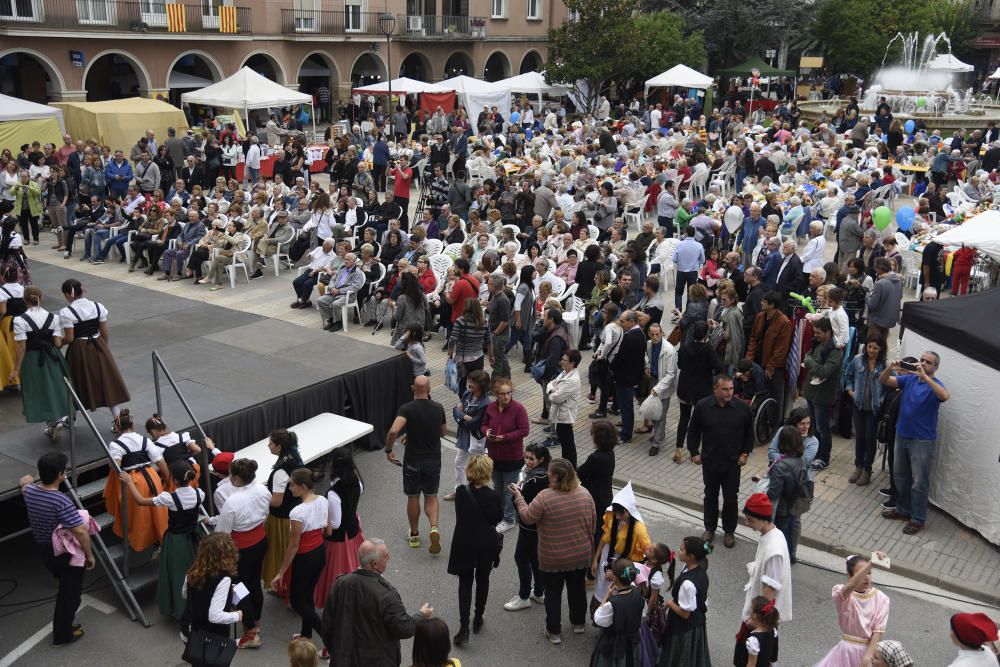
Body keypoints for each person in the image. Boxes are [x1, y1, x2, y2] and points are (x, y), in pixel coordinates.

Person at [510, 458, 596, 645]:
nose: (547, 476)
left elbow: (527, 517)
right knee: (577, 589)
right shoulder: (584, 494)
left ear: (556, 477)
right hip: (581, 554)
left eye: (549, 473)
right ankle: (578, 623)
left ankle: (554, 631)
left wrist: (519, 497)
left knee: (553, 593)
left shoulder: (545, 497)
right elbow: (593, 523)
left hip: (553, 557)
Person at [19, 452, 95, 646]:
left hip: (46, 550)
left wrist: (29, 480)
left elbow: (24, 482)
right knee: (69, 596)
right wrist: (89, 555)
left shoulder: (30, 492)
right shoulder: (61, 501)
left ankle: (65, 626)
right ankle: (62, 635)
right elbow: (80, 531)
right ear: (60, 475)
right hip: (64, 554)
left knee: (65, 587)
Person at [321, 538, 434, 666]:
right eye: (386, 556)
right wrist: (422, 615)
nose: (389, 558)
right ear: (374, 564)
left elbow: (327, 625)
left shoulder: (340, 584)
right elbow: (404, 628)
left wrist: (337, 652)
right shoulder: (386, 595)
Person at [121, 460, 205, 619]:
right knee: (197, 571)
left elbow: (140, 501)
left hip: (177, 541)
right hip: (195, 537)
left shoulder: (169, 498)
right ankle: (200, 605)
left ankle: (181, 609)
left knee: (178, 574)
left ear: (174, 480)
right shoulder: (199, 493)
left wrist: (130, 483)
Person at [879, 351, 949, 535]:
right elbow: (883, 380)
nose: (923, 363)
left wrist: (926, 377)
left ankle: (918, 519)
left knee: (919, 482)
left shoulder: (936, 385)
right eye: (922, 360)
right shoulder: (909, 380)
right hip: (902, 435)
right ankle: (903, 510)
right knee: (901, 476)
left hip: (922, 441)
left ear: (935, 367)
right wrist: (890, 368)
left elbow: (944, 396)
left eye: (929, 362)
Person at [269, 468, 331, 659]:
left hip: (304, 557)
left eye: (292, 485)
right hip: (319, 552)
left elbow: (293, 546)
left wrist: (280, 572)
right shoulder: (323, 500)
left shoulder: (297, 511)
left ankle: (330, 640)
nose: (289, 488)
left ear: (303, 487)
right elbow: (327, 531)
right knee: (307, 596)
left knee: (297, 601)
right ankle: (306, 634)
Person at [687, 373, 753, 548]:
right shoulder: (703, 406)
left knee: (731, 498)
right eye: (725, 389)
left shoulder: (742, 408)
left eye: (731, 388)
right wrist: (694, 452)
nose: (729, 392)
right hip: (710, 462)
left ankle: (729, 531)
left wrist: (745, 454)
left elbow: (749, 434)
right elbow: (693, 431)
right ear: (715, 389)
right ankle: (710, 528)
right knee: (710, 496)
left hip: (732, 463)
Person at [212, 457, 271, 649]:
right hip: (260, 541)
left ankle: (251, 630)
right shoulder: (263, 490)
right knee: (254, 582)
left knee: (237, 587)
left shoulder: (232, 502)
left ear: (236, 478)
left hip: (241, 549)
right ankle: (256, 621)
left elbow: (222, 533)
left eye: (230, 474)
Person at [386, 375, 447, 552]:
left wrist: (389, 450)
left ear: (413, 388)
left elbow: (393, 431)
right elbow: (442, 432)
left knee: (413, 497)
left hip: (413, 461)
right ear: (429, 389)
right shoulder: (438, 408)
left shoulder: (407, 409)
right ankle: (434, 527)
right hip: (433, 460)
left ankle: (414, 535)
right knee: (431, 495)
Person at [447, 454, 503, 646]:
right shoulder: (494, 496)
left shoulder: (462, 492)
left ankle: (463, 627)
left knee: (465, 583)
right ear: (488, 472)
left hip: (464, 542)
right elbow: (497, 519)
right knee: (483, 579)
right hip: (486, 544)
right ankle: (478, 617)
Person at [59, 279, 130, 423]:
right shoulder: (98, 306)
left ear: (68, 295)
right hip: (99, 344)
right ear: (82, 290)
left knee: (76, 382)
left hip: (79, 349)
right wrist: (104, 349)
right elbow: (104, 331)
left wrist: (59, 343)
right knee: (107, 382)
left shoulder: (67, 312)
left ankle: (71, 419)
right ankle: (118, 421)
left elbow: (70, 338)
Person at [8, 285, 72, 439]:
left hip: (32, 359)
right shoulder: (54, 318)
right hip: (52, 356)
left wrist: (16, 369)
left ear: (25, 300)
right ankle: (55, 420)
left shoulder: (19, 320)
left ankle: (53, 422)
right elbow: (57, 343)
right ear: (41, 298)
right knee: (54, 387)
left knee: (38, 390)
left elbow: (21, 347)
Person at [103, 409, 169, 553]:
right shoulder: (145, 440)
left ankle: (141, 541)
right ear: (133, 425)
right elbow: (160, 461)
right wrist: (168, 478)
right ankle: (160, 538)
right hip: (152, 477)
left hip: (132, 482)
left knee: (138, 515)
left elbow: (115, 467)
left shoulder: (116, 445)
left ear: (117, 428)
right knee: (158, 510)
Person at [312, 448, 366, 608]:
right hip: (353, 531)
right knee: (352, 568)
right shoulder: (357, 482)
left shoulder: (333, 493)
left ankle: (337, 603)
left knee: (334, 574)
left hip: (338, 541)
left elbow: (335, 523)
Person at [815, 554, 891, 666]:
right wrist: (871, 564)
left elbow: (878, 631)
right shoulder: (842, 595)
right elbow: (851, 585)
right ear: (850, 576)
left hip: (867, 650)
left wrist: (868, 656)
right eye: (862, 573)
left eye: (869, 572)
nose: (867, 577)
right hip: (846, 651)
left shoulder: (881, 598)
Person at [738, 492, 793, 647]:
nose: (747, 523)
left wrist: (757, 618)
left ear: (764, 520)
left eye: (751, 520)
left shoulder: (774, 549)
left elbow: (771, 586)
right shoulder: (773, 534)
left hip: (763, 619)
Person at [181, 533, 244, 666]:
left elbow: (185, 594)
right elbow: (214, 616)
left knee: (196, 661)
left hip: (190, 629)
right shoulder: (224, 579)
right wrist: (236, 616)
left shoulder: (193, 570)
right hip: (211, 637)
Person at [504, 443, 551, 612]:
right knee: (535, 559)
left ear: (541, 459)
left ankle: (524, 596)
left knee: (521, 558)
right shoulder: (546, 475)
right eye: (526, 457)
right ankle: (539, 592)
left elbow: (521, 504)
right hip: (542, 526)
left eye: (532, 458)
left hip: (529, 526)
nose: (528, 461)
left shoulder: (533, 480)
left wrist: (516, 492)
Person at [590, 483, 650, 614]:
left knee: (617, 593)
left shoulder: (639, 529)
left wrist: (617, 573)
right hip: (607, 557)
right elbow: (605, 538)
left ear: (628, 511)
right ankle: (599, 614)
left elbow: (647, 553)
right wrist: (596, 558)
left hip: (624, 564)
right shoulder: (611, 515)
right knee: (602, 587)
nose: (617, 517)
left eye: (620, 514)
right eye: (615, 513)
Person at [481, 376, 530, 533]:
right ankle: (501, 514)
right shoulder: (490, 407)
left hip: (512, 457)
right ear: (496, 394)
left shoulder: (519, 409)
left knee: (509, 490)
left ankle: (509, 519)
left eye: (509, 392)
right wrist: (486, 432)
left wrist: (504, 437)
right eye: (502, 394)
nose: (506, 396)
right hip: (494, 456)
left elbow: (524, 430)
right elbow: (483, 425)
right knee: (497, 487)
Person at [658, 536, 711, 667]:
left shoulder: (688, 584)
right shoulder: (699, 570)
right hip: (697, 622)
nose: (678, 551)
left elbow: (685, 614)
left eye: (681, 550)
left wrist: (670, 603)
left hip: (685, 628)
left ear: (691, 556)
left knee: (680, 659)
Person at [262, 429, 304, 593]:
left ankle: (282, 587)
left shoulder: (281, 471)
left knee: (281, 553)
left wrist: (261, 496)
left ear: (279, 447)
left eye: (271, 443)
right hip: (294, 512)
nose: (268, 445)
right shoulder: (295, 459)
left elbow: (277, 501)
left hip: (281, 520)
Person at [844, 334, 888, 487]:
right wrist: (851, 392)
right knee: (860, 437)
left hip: (874, 409)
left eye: (875, 348)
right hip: (859, 406)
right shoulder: (857, 360)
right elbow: (848, 377)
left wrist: (881, 400)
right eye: (869, 346)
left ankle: (867, 470)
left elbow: (890, 386)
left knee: (870, 438)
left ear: (881, 349)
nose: (871, 350)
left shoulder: (884, 365)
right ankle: (858, 466)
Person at [802, 318, 843, 471]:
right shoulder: (818, 346)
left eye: (819, 332)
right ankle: (815, 452)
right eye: (815, 332)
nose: (815, 335)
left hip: (823, 397)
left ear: (828, 332)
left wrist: (810, 363)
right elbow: (807, 357)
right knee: (813, 426)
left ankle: (824, 457)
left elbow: (824, 371)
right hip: (811, 393)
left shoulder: (834, 353)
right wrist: (812, 363)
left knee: (823, 429)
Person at [763, 425, 809, 564]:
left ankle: (780, 561)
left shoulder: (781, 465)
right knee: (791, 533)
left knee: (779, 536)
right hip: (795, 504)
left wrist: (763, 483)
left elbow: (773, 492)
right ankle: (791, 555)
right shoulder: (802, 460)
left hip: (782, 508)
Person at [744, 291, 792, 418]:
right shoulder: (760, 316)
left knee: (775, 396)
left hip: (774, 367)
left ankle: (774, 423)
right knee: (758, 392)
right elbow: (753, 338)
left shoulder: (784, 322)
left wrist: (771, 366)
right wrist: (749, 359)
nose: (761, 303)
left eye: (764, 301)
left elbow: (782, 349)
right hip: (758, 362)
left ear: (771, 305)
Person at [591, 558, 645, 667]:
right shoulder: (638, 594)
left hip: (614, 643)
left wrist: (607, 595)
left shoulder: (612, 604)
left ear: (614, 578)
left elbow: (598, 619)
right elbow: (643, 614)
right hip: (632, 639)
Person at [446, 369, 490, 500]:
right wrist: (464, 417)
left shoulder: (485, 403)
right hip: (464, 435)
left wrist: (461, 415)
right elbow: (455, 410)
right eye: (470, 380)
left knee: (475, 468)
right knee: (459, 462)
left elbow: (474, 423)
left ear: (481, 384)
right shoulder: (467, 394)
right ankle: (460, 490)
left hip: (475, 438)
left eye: (473, 382)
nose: (470, 383)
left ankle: (474, 493)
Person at [612, 310, 646, 444]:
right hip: (632, 375)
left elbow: (620, 357)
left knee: (626, 406)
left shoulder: (630, 337)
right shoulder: (640, 334)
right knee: (625, 405)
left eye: (623, 321)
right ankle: (626, 425)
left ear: (632, 322)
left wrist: (612, 367)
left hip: (625, 377)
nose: (621, 324)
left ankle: (626, 434)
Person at [645, 323, 678, 457]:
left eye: (657, 334)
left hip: (663, 384)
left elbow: (671, 374)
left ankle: (656, 443)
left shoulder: (669, 350)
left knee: (661, 415)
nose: (654, 337)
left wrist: (658, 389)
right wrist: (647, 365)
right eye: (652, 334)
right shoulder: (648, 344)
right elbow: (648, 357)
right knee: (653, 411)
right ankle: (659, 434)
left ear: (662, 333)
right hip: (653, 379)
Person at [546, 349, 582, 466]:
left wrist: (552, 391)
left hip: (565, 417)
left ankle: (571, 468)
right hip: (560, 414)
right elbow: (550, 383)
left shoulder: (572, 380)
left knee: (568, 444)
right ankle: (568, 466)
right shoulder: (564, 372)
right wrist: (553, 389)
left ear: (572, 363)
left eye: (564, 360)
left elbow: (556, 398)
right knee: (565, 443)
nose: (561, 362)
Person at [733, 596, 780, 667]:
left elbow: (751, 664)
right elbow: (774, 653)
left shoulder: (753, 640)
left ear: (754, 615)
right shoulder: (773, 630)